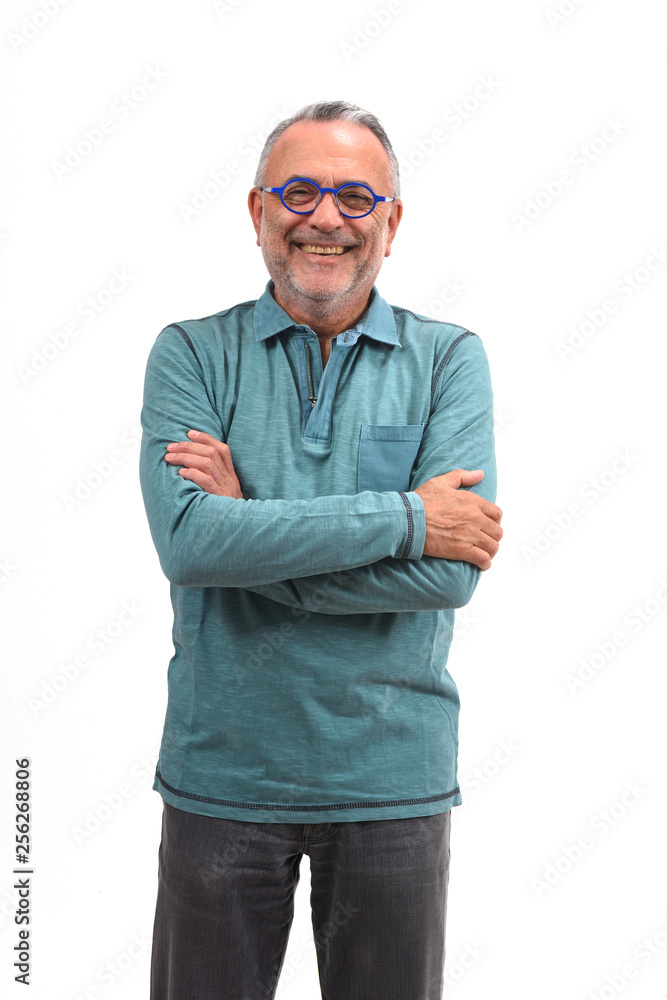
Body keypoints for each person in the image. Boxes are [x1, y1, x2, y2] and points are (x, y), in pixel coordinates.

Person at [139, 100, 503, 1000]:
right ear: (258, 212)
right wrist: (408, 516)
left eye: (354, 196)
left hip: (392, 780)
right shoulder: (189, 354)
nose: (325, 217)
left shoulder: (449, 360)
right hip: (220, 776)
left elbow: (449, 575)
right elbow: (189, 544)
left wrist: (251, 532)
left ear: (392, 220)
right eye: (298, 191)